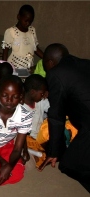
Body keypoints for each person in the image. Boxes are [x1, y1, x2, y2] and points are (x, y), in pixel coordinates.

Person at [39, 43, 90, 193]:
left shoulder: (56, 74)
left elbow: (56, 116)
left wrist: (54, 151)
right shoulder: (84, 63)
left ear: (50, 63)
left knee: (69, 164)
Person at [2, 4, 43, 70]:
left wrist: (46, 58)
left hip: (29, 68)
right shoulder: (11, 31)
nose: (28, 23)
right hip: (15, 68)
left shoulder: (32, 31)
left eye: (30, 21)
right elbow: (5, 52)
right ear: (19, 17)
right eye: (26, 21)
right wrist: (4, 69)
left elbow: (35, 48)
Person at [21, 74, 49, 167]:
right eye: (41, 93)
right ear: (32, 92)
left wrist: (49, 95)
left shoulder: (41, 101)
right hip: (29, 139)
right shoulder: (20, 108)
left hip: (41, 135)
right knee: (39, 156)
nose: (43, 95)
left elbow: (52, 110)